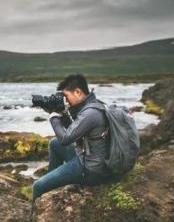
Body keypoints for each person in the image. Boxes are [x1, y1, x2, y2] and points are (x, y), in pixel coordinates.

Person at [31, 74, 114, 206]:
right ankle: (52, 186)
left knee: (37, 186)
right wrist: (61, 113)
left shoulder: (90, 113)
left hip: (90, 170)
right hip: (90, 157)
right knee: (54, 143)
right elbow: (73, 131)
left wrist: (53, 116)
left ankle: (35, 213)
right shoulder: (93, 106)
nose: (65, 100)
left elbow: (66, 139)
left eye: (66, 96)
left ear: (78, 92)